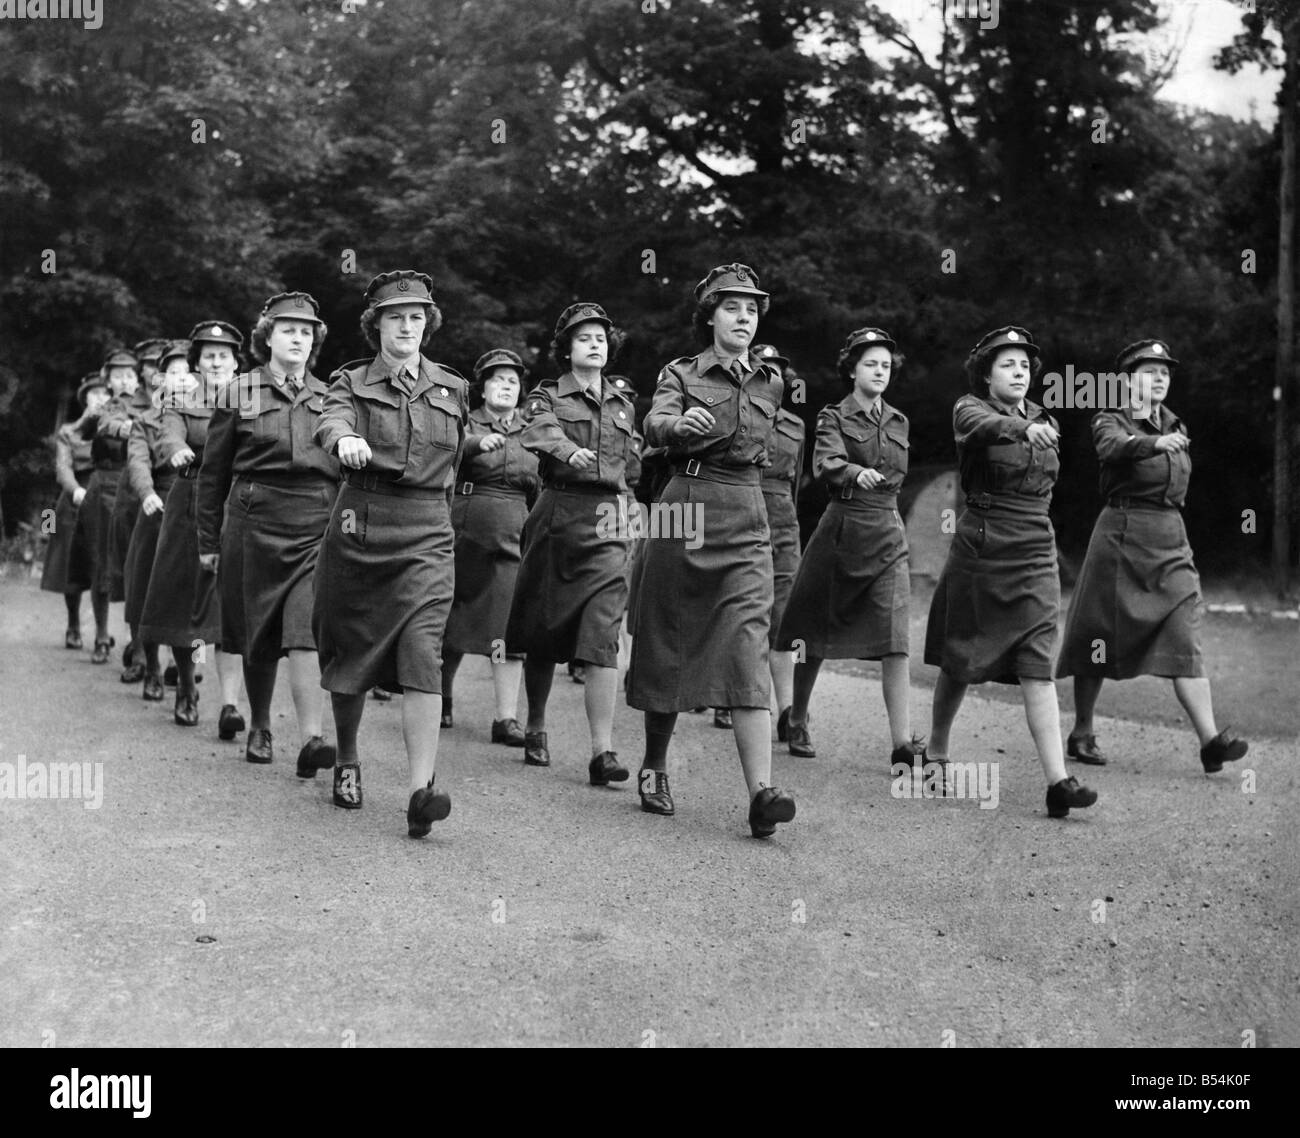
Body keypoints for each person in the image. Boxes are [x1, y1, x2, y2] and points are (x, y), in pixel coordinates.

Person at [626, 262, 797, 839]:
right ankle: (653, 764)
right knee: (670, 637)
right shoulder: (680, 371)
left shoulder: (772, 381)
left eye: (751, 309)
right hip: (686, 507)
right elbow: (655, 422)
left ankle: (761, 793)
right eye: (732, 308)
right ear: (710, 315)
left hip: (748, 512)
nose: (743, 317)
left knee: (750, 639)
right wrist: (676, 427)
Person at [313, 270, 466, 837]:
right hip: (363, 525)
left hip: (428, 531)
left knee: (424, 651)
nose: (408, 325)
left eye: (417, 316)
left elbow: (453, 469)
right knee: (352, 646)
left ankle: (420, 790)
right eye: (396, 316)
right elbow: (330, 421)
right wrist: (344, 440)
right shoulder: (350, 382)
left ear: (428, 324)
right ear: (375, 324)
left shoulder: (452, 387)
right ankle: (348, 756)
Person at [923, 326, 1097, 819]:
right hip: (985, 543)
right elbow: (982, 429)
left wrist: (1032, 427)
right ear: (987, 373)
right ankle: (935, 750)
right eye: (1007, 365)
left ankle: (1058, 781)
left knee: (1038, 662)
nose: (1018, 372)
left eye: (1024, 365)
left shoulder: (1046, 418)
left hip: (1036, 546)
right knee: (962, 655)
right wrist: (1022, 429)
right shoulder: (969, 409)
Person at [1057, 338, 1248, 774]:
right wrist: (1152, 444)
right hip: (1121, 538)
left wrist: (1165, 439)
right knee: (1097, 636)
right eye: (1149, 371)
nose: (1159, 378)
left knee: (1185, 632)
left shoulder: (1176, 424)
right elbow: (1112, 448)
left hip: (1170, 539)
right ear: (1128, 380)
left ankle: (1210, 741)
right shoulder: (1110, 419)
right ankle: (1082, 731)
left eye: (1164, 373)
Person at [197, 295, 338, 775]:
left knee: (304, 628)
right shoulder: (239, 392)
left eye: (306, 331)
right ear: (267, 337)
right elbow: (212, 475)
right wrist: (207, 543)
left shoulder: (334, 395)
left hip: (315, 526)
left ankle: (313, 737)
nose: (298, 338)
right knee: (257, 631)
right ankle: (259, 724)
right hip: (253, 521)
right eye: (288, 330)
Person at [505, 303, 639, 787]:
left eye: (601, 337)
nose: (595, 344)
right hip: (558, 515)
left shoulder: (624, 404)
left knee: (604, 634)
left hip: (608, 521)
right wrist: (568, 451)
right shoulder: (546, 395)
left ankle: (602, 750)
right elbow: (538, 431)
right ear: (567, 350)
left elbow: (636, 462)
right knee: (545, 628)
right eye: (584, 338)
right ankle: (537, 724)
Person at [777, 327, 924, 767]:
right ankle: (797, 717)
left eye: (885, 365)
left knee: (895, 638)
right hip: (843, 530)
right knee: (815, 632)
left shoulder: (899, 420)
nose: (879, 372)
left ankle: (902, 743)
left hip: (888, 532)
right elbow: (825, 462)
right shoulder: (832, 417)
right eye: (870, 364)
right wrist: (854, 473)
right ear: (852, 370)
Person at [142, 326, 247, 733]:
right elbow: (168, 434)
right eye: (209, 356)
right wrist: (178, 449)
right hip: (190, 497)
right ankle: (186, 685)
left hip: (238, 500)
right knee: (185, 595)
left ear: (236, 362)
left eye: (224, 356)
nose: (217, 362)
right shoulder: (180, 400)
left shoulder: (251, 399)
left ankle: (231, 703)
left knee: (228, 600)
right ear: (197, 363)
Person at [440, 348, 540, 745]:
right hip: (462, 532)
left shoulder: (532, 430)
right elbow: (442, 450)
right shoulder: (463, 422)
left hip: (513, 534)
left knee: (505, 629)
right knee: (451, 620)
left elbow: (541, 483)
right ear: (482, 388)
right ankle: (441, 695)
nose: (505, 387)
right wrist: (473, 444)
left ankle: (506, 717)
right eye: (498, 380)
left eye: (513, 381)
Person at [121, 341, 188, 702]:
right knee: (144, 588)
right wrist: (147, 493)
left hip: (195, 508)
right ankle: (151, 665)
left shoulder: (211, 415)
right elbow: (138, 461)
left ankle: (190, 669)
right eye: (173, 373)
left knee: (192, 595)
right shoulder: (145, 422)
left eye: (187, 372)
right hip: (157, 505)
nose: (181, 379)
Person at [745, 342, 804, 737]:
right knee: (747, 611)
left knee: (784, 616)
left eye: (777, 369)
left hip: (783, 518)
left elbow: (797, 482)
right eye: (763, 368)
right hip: (744, 508)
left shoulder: (796, 426)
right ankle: (738, 695)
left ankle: (790, 712)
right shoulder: (739, 414)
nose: (772, 375)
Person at [106, 342, 167, 681]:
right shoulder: (126, 402)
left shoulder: (190, 399)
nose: (156, 370)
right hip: (132, 494)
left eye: (164, 364)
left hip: (176, 492)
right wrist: (131, 428)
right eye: (149, 365)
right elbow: (108, 422)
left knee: (185, 579)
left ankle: (186, 660)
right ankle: (140, 652)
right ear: (141, 370)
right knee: (135, 571)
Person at [78, 348, 142, 664]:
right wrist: (104, 410)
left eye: (130, 375)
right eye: (118, 376)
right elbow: (87, 429)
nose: (125, 381)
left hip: (135, 486)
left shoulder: (150, 405)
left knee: (136, 563)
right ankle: (102, 635)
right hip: (102, 485)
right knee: (101, 561)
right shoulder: (102, 409)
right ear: (108, 380)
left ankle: (137, 643)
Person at [40, 373, 107, 647]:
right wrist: (76, 491)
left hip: (105, 496)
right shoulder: (68, 432)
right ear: (85, 399)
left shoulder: (118, 427)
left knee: (101, 566)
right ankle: (73, 625)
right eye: (94, 394)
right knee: (70, 564)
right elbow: (62, 468)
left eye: (105, 394)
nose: (100, 399)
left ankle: (102, 634)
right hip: (73, 498)